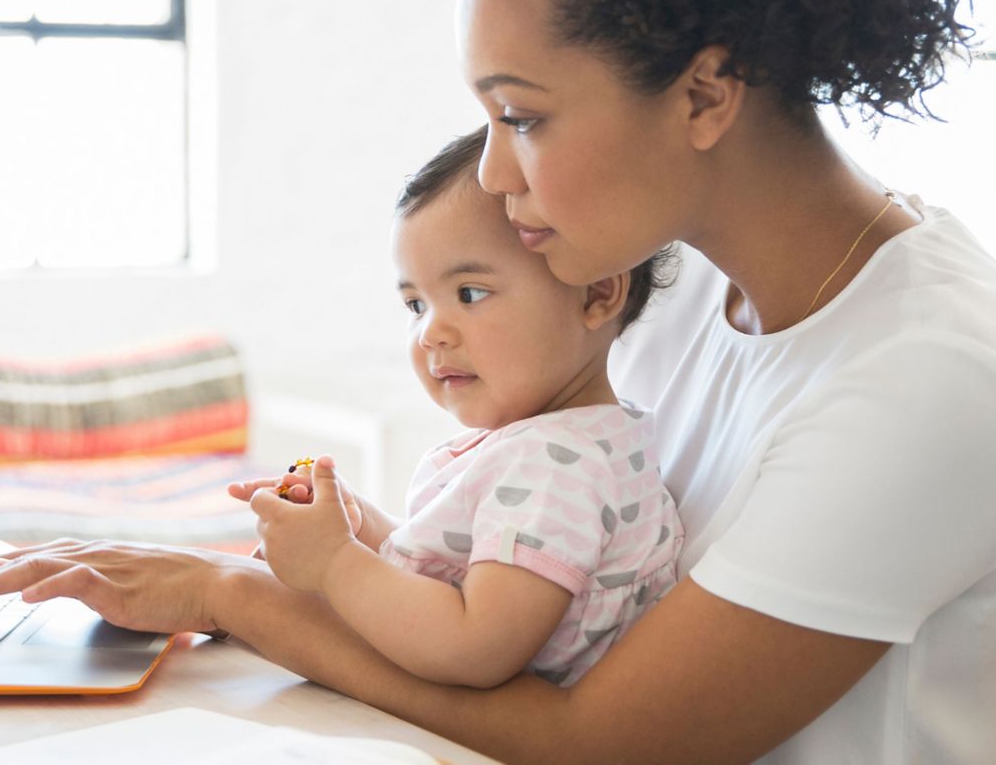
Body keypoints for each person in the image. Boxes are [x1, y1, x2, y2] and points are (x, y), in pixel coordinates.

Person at [0, 0, 996, 762]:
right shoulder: (678, 292)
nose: (492, 172)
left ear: (703, 93)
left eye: (521, 117)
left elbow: (595, 739)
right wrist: (296, 561)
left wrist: (232, 599)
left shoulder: (932, 381)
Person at [221, 129, 682, 689]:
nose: (431, 332)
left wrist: (337, 562)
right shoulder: (579, 441)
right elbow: (462, 573)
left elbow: (475, 646)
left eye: (469, 293)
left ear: (596, 293)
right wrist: (363, 528)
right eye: (415, 304)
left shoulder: (556, 463)